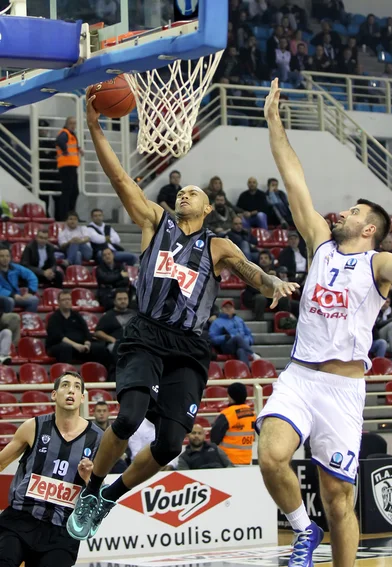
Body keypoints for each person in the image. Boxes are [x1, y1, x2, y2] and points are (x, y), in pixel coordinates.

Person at [66, 91, 297, 542]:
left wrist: (274, 286)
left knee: (170, 443)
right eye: (182, 191)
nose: (185, 193)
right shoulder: (158, 222)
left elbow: (254, 274)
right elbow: (121, 182)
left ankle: (112, 496)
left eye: (194, 192)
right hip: (147, 332)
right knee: (130, 417)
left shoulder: (219, 246)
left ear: (208, 207)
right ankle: (92, 490)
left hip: (188, 347)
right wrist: (95, 126)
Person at [258, 78, 392, 567]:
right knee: (271, 456)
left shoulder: (378, 261)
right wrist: (275, 124)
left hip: (343, 389)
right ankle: (301, 529)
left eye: (357, 213)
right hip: (299, 375)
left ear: (371, 229)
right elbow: (294, 179)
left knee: (340, 499)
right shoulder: (319, 244)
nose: (345, 213)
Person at [0, 371, 102, 567]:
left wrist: (89, 481)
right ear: (54, 395)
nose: (71, 390)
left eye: (77, 387)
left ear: (83, 398)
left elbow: (98, 497)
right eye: (65, 385)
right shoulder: (32, 427)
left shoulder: (98, 439)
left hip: (61, 529)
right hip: (20, 519)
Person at [46, 290, 111, 367]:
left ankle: (101, 375)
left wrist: (87, 344)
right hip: (60, 346)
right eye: (64, 300)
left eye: (69, 299)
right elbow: (59, 337)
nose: (67, 302)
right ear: (59, 302)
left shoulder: (77, 315)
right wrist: (75, 345)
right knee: (65, 348)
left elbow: (86, 332)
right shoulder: (54, 318)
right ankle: (66, 375)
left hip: (80, 346)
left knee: (100, 348)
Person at [210, 382, 256, 465]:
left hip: (227, 460)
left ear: (230, 396)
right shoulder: (251, 413)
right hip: (246, 460)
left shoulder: (228, 414)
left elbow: (214, 437)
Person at [208, 299, 259, 366]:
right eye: (226, 307)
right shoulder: (217, 322)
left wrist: (247, 341)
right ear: (222, 309)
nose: (228, 309)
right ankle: (252, 354)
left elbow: (248, 334)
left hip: (241, 345)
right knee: (237, 337)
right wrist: (225, 337)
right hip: (227, 346)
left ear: (233, 309)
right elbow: (212, 338)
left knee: (241, 351)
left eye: (230, 307)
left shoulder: (239, 320)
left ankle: (245, 372)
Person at [55, 117, 83, 221]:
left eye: (74, 123)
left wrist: (79, 149)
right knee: (68, 192)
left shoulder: (71, 134)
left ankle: (71, 215)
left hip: (71, 166)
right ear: (66, 124)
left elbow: (70, 145)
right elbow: (60, 141)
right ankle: (65, 216)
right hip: (66, 166)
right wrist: (65, 150)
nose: (73, 125)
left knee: (74, 191)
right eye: (71, 123)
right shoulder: (65, 133)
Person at [94, 288, 136, 355]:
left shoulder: (134, 314)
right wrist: (111, 339)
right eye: (120, 299)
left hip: (134, 343)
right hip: (117, 344)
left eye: (125, 298)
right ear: (114, 301)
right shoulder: (108, 316)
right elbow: (98, 332)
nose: (123, 301)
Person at [0, 245, 39, 312]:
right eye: (2, 256)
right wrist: (13, 295)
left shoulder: (15, 267)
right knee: (10, 301)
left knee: (34, 299)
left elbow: (32, 277)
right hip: (3, 297)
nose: (5, 258)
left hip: (16, 296)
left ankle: (27, 319)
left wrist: (30, 292)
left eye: (7, 256)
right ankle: (8, 321)